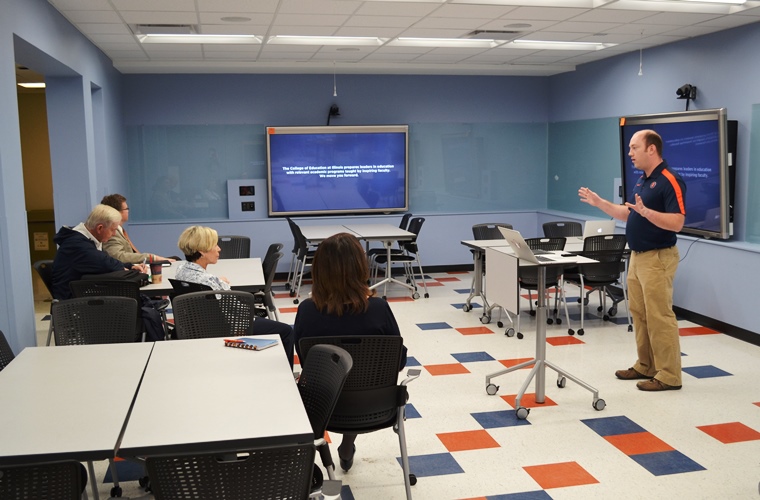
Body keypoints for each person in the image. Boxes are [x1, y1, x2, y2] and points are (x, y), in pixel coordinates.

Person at [578, 129, 686, 392]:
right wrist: (600, 202)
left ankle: (670, 375)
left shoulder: (669, 180)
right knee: (639, 313)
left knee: (660, 315)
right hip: (637, 257)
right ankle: (646, 365)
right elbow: (628, 213)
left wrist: (648, 213)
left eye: (634, 148)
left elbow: (678, 222)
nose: (630, 153)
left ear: (652, 149)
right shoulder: (642, 180)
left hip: (658, 257)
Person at [293, 232, 407, 472]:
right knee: (357, 384)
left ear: (320, 270)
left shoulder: (307, 310)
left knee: (339, 384)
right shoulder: (379, 308)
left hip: (322, 405)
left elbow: (306, 361)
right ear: (359, 266)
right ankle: (347, 444)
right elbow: (399, 360)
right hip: (375, 404)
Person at [175, 226, 295, 368]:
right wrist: (222, 284)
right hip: (229, 327)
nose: (219, 249)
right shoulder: (210, 282)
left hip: (196, 327)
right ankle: (288, 377)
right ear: (202, 251)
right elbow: (236, 311)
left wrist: (218, 282)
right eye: (214, 245)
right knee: (287, 331)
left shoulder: (181, 271)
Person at [51, 204, 148, 300]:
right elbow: (103, 262)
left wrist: (130, 266)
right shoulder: (77, 244)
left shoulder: (85, 239)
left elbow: (106, 260)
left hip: (82, 295)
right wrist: (127, 269)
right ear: (100, 228)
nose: (114, 234)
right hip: (73, 303)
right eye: (113, 230)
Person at [100, 194, 177, 264]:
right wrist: (152, 258)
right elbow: (119, 257)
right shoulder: (112, 233)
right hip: (130, 268)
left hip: (136, 265)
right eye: (127, 209)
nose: (128, 211)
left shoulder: (119, 230)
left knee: (175, 258)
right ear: (117, 212)